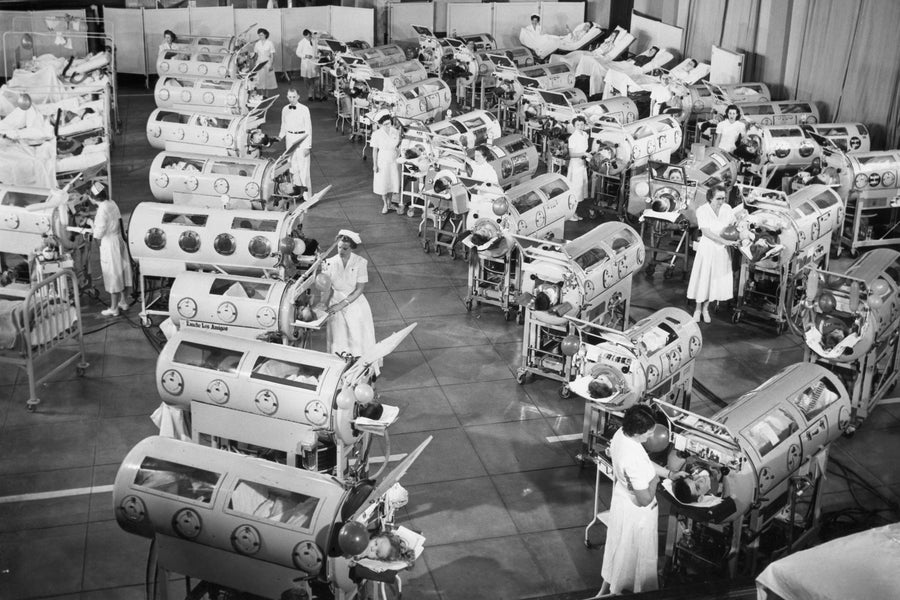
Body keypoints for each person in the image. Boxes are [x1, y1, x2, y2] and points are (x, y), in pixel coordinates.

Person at [598, 405, 687, 596]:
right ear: (638, 432)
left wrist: (670, 474)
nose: (650, 437)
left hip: (621, 502)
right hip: (637, 514)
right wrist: (655, 481)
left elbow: (645, 461)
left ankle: (607, 588)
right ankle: (633, 592)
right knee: (637, 556)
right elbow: (645, 499)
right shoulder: (632, 460)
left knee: (618, 548)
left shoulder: (622, 434)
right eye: (648, 433)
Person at [321, 230, 379, 375]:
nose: (341, 251)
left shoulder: (360, 262)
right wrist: (322, 303)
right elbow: (326, 288)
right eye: (339, 247)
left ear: (352, 248)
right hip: (335, 304)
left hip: (355, 304)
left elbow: (359, 290)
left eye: (345, 248)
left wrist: (342, 305)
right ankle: (339, 370)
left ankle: (361, 369)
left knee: (357, 337)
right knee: (339, 337)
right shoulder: (329, 263)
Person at [686, 184, 736, 323]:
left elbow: (734, 224)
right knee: (703, 279)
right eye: (718, 199)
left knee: (714, 281)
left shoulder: (727, 209)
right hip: (707, 249)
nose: (722, 202)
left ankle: (706, 309)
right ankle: (697, 309)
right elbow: (706, 232)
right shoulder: (702, 210)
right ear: (710, 198)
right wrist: (724, 241)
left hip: (721, 251)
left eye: (723, 198)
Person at [87, 182, 132, 317]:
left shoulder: (101, 211)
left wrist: (90, 223)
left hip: (109, 244)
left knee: (113, 275)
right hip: (119, 240)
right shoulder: (111, 203)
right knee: (121, 273)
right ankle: (123, 301)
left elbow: (98, 234)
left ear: (93, 198)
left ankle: (113, 308)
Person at [278, 88, 312, 202]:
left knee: (304, 168)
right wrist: (280, 136)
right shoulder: (284, 109)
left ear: (298, 97)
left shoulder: (304, 109)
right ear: (287, 97)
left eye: (293, 97)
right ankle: (298, 193)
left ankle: (308, 197)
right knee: (293, 168)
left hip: (302, 139)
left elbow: (308, 128)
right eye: (289, 97)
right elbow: (284, 125)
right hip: (290, 139)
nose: (291, 99)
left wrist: (308, 146)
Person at [370, 113, 402, 214]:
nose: (388, 126)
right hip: (382, 160)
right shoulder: (376, 134)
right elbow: (375, 151)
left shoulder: (395, 131)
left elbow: (397, 145)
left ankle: (390, 202)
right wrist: (375, 165)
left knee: (392, 182)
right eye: (385, 124)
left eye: (389, 123)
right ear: (380, 125)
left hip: (393, 159)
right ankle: (385, 203)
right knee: (383, 183)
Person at [566, 115, 589, 221]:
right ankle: (570, 214)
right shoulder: (572, 138)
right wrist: (583, 154)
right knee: (575, 190)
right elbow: (571, 154)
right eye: (578, 125)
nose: (580, 126)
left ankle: (574, 212)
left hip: (582, 164)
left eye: (582, 124)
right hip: (575, 166)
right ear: (574, 126)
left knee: (581, 190)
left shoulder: (585, 135)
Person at [295, 29, 319, 102]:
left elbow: (317, 50)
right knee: (307, 79)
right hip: (306, 62)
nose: (308, 38)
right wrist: (305, 55)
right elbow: (298, 53)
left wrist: (318, 55)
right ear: (304, 36)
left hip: (315, 62)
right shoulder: (301, 42)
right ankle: (310, 94)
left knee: (316, 79)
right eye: (306, 37)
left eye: (309, 36)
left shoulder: (315, 40)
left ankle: (316, 94)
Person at [253, 28, 277, 97]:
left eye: (262, 35)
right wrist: (254, 63)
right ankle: (262, 94)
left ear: (265, 35)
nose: (260, 37)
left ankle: (266, 95)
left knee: (267, 79)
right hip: (259, 62)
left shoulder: (270, 43)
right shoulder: (257, 44)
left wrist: (271, 65)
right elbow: (256, 55)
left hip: (267, 62)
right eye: (259, 35)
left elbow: (272, 55)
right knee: (260, 79)